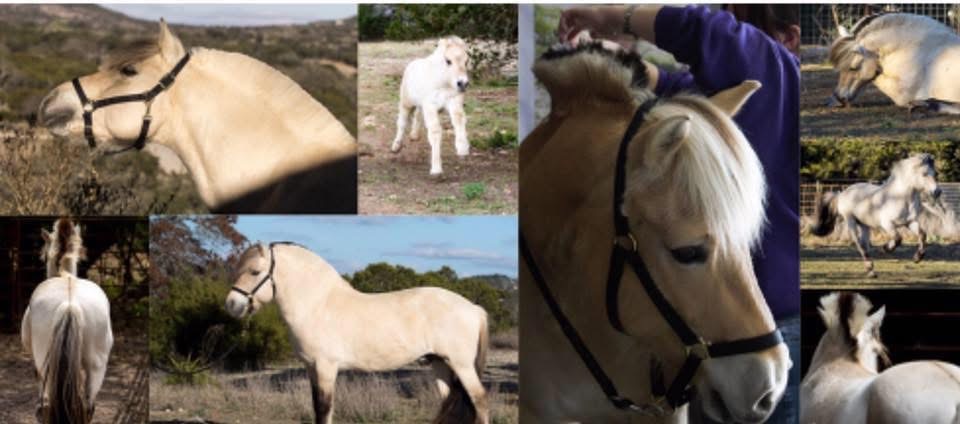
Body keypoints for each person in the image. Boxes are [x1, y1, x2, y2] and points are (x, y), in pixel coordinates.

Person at [557, 5, 801, 423]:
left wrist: (608, 15)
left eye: (748, 29)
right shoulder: (745, 96)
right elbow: (672, 85)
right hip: (717, 330)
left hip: (757, 333)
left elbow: (704, 29)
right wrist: (601, 53)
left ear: (790, 38)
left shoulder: (778, 75)